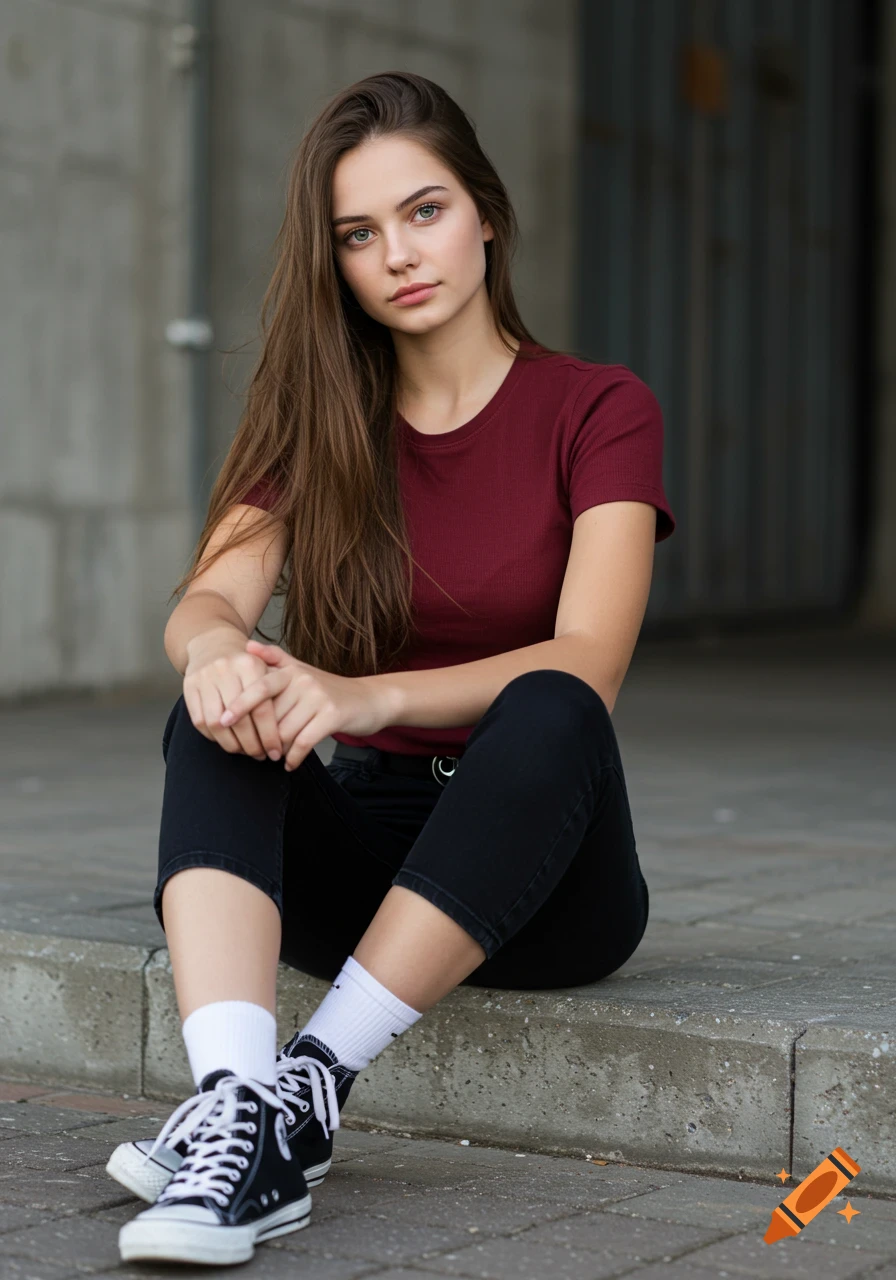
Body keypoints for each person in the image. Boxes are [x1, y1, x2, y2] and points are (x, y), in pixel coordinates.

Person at [113, 70, 676, 1267]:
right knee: (215, 704)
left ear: (485, 212)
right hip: (362, 877)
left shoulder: (597, 407)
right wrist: (218, 647)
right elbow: (208, 595)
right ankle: (237, 1105)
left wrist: (366, 696)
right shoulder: (321, 419)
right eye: (358, 235)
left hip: (546, 879)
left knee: (553, 700)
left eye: (423, 211)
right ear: (335, 265)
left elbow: (591, 657)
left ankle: (312, 1076)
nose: (398, 255)